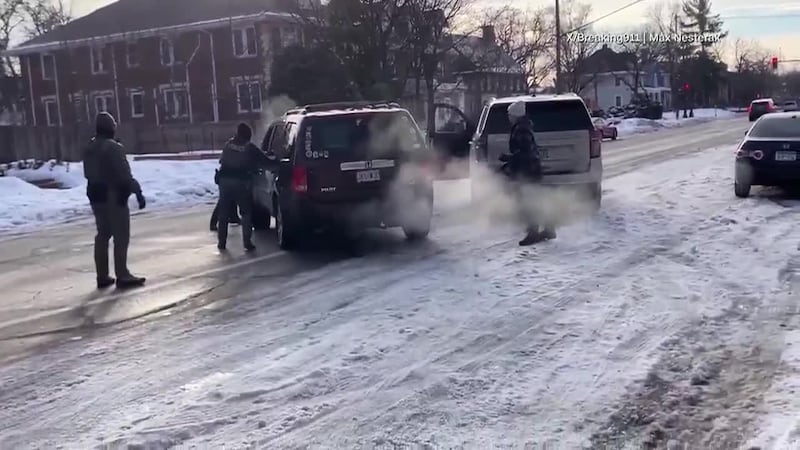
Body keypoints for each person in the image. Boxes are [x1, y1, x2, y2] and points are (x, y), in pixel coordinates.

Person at [82, 112, 147, 289]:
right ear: (111, 127)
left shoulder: (90, 147)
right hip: (113, 194)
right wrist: (138, 192)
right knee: (121, 235)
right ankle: (122, 274)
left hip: (95, 194)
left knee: (103, 234)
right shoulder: (113, 148)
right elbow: (124, 175)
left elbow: (87, 173)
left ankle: (102, 275)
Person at [500, 100, 557, 246]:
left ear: (515, 115)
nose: (508, 117)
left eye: (510, 114)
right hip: (529, 168)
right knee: (532, 200)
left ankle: (534, 232)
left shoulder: (521, 130)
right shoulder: (522, 127)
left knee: (529, 202)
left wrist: (508, 159)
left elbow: (525, 152)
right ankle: (546, 228)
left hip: (528, 170)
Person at [216, 122, 274, 251]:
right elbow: (266, 163)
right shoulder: (250, 148)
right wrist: (279, 164)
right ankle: (247, 242)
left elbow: (222, 161)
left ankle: (221, 242)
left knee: (223, 214)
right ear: (247, 135)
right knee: (246, 212)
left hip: (224, 181)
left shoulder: (228, 144)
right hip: (241, 183)